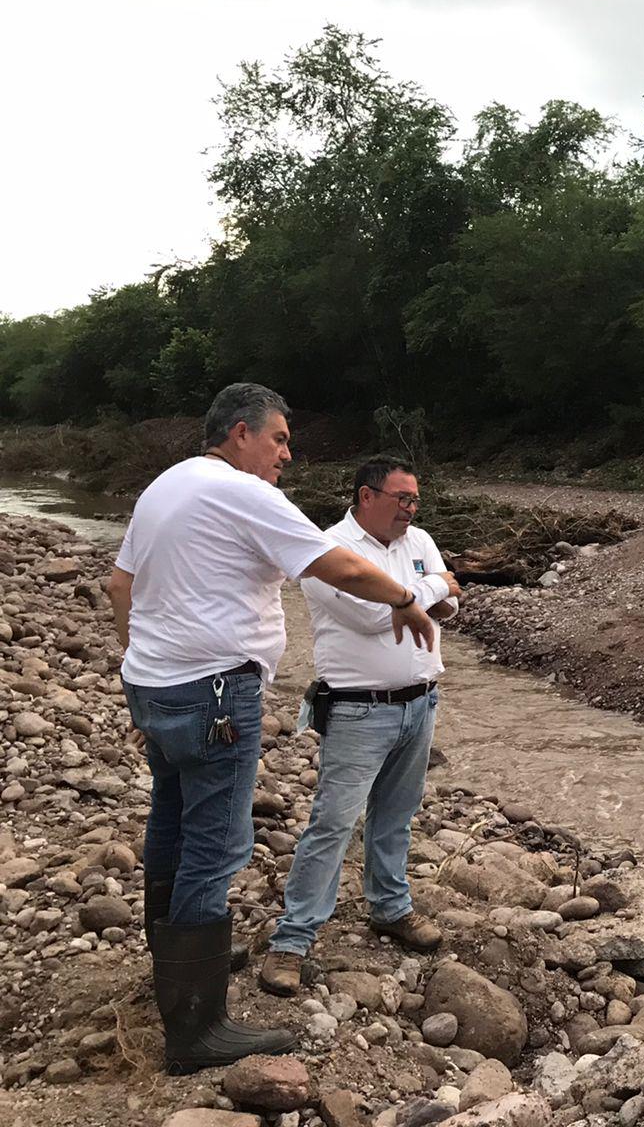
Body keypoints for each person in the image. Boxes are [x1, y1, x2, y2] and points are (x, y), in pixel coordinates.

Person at [107, 384, 438, 1075]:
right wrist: (406, 596)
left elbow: (119, 587)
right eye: (280, 439)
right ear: (239, 433)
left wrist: (142, 666)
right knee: (215, 845)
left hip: (155, 683)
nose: (288, 453)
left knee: (169, 821)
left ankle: (169, 967)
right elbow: (338, 564)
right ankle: (195, 1027)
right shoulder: (241, 491)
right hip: (217, 691)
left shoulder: (165, 485)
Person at [259, 457, 459, 995]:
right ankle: (292, 938)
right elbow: (373, 616)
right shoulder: (329, 551)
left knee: (396, 816)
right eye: (401, 499)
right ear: (367, 496)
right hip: (358, 709)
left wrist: (425, 594)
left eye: (415, 500)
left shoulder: (419, 541)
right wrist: (431, 589)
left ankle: (390, 907)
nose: (410, 510)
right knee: (333, 823)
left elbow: (452, 607)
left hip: (421, 703)